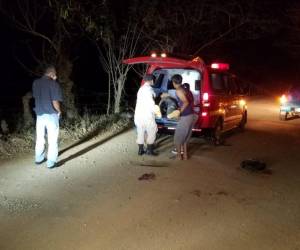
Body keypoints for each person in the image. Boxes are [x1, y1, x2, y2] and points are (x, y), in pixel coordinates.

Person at [32, 65, 63, 168]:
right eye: (55, 74)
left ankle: (39, 158)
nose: (56, 76)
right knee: (52, 139)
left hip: (39, 115)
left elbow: (36, 97)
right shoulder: (53, 84)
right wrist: (59, 111)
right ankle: (51, 162)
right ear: (52, 73)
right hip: (51, 114)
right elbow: (55, 101)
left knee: (40, 138)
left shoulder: (35, 83)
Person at [170, 75, 196, 160]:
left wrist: (179, 112)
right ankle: (185, 155)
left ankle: (178, 156)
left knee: (178, 137)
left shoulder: (178, 90)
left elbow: (186, 102)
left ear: (173, 82)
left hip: (186, 116)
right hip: (191, 115)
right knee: (185, 137)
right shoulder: (186, 90)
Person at [134, 74, 159, 156]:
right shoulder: (149, 89)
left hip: (138, 115)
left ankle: (140, 150)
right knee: (152, 130)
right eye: (153, 80)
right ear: (151, 80)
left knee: (140, 131)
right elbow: (152, 103)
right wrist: (157, 112)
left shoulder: (140, 89)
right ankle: (149, 150)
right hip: (147, 116)